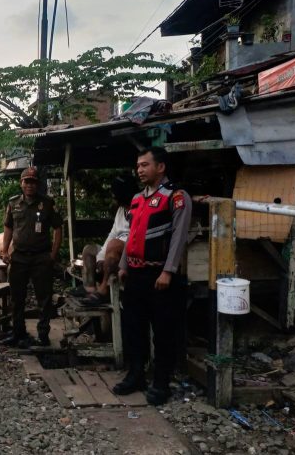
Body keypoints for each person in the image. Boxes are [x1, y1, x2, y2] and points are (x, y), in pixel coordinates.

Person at [114, 146, 191, 406]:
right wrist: (123, 265)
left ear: (161, 167)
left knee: (163, 331)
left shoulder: (176, 197)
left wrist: (168, 271)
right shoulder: (137, 199)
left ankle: (161, 382)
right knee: (133, 327)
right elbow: (132, 235)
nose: (140, 170)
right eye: (138, 165)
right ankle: (136, 375)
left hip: (160, 276)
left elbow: (179, 237)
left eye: (145, 165)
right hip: (135, 273)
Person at [0, 166, 63, 348]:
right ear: (21, 183)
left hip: (41, 257)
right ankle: (18, 333)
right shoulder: (13, 203)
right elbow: (8, 227)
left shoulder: (47, 203)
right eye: (27, 181)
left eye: (33, 182)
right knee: (17, 297)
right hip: (19, 256)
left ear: (38, 184)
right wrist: (5, 250)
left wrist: (53, 254)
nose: (30, 185)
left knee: (44, 298)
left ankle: (43, 335)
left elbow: (58, 228)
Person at [75, 175, 137, 307]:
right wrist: (100, 258)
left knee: (114, 245)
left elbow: (133, 238)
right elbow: (112, 233)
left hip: (128, 254)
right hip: (112, 251)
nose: (113, 197)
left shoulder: (138, 209)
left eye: (115, 194)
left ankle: (103, 290)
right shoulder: (121, 211)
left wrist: (112, 248)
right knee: (89, 250)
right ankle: (90, 289)